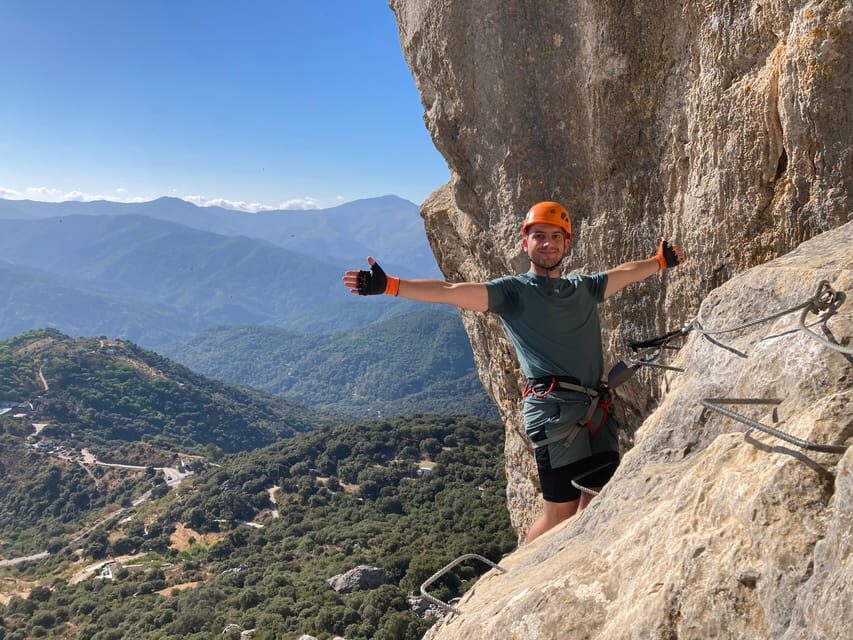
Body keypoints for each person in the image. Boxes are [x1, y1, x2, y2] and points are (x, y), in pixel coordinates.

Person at [342, 201, 685, 542]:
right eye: (539, 236)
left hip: (597, 411)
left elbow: (624, 273)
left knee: (598, 495)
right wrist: (392, 285)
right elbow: (450, 292)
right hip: (554, 416)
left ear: (567, 243)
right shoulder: (512, 293)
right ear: (525, 243)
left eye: (556, 236)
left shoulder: (584, 288)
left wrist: (659, 261)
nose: (547, 243)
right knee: (560, 513)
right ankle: (524, 568)